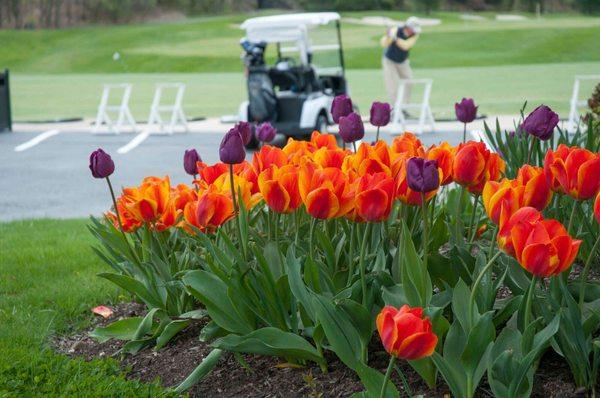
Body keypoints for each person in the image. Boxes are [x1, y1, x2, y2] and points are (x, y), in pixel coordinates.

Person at [380, 16, 421, 108]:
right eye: (413, 29)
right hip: (389, 61)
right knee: (393, 86)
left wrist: (396, 39)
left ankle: (404, 107)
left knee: (409, 82)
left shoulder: (415, 35)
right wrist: (388, 36)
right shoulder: (395, 30)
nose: (414, 31)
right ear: (408, 26)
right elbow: (383, 43)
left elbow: (406, 45)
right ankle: (395, 109)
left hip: (403, 62)